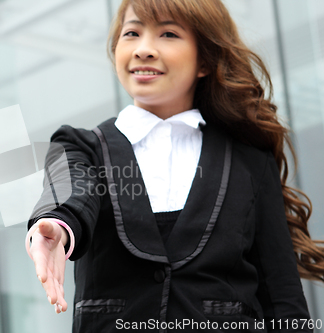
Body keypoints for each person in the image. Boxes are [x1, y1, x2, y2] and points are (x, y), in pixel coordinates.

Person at [25, 0, 324, 332]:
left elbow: (282, 297)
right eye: (132, 33)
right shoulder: (81, 147)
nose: (144, 49)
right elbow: (70, 193)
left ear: (205, 61)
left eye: (168, 34)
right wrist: (54, 226)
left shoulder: (249, 161)